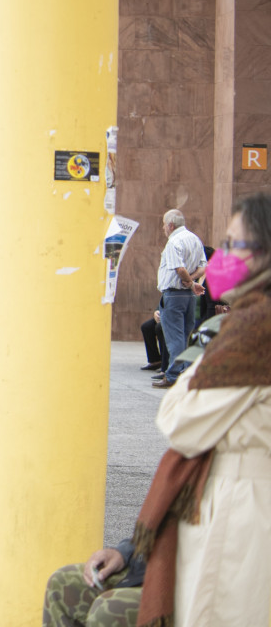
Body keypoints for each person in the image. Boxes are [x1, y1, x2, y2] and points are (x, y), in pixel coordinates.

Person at [134, 192, 271, 626]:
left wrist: (188, 379)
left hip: (240, 509)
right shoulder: (245, 322)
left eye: (234, 245)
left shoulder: (253, 330)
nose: (219, 258)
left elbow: (181, 423)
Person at [151, 210, 206, 389]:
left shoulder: (174, 241)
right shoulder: (195, 239)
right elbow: (203, 266)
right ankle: (186, 373)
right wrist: (192, 282)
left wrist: (189, 282)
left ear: (170, 225)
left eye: (163, 224)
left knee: (175, 338)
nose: (163, 228)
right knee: (186, 335)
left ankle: (173, 375)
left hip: (174, 294)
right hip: (188, 297)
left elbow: (179, 269)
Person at [41, 540, 146, 627]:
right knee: (61, 583)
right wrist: (123, 552)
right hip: (142, 569)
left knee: (107, 609)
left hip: (159, 587)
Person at [138, 306, 167, 373]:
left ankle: (165, 363)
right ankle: (155, 360)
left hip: (176, 316)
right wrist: (156, 311)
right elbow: (163, 301)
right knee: (146, 327)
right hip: (165, 314)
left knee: (159, 328)